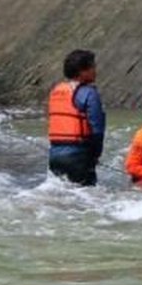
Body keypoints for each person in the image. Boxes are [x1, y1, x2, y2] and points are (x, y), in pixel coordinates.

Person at [47, 49, 105, 186]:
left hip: (55, 155)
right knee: (86, 193)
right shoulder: (89, 93)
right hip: (78, 156)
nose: (95, 71)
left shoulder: (56, 91)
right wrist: (95, 155)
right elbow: (97, 130)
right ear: (82, 71)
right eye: (92, 67)